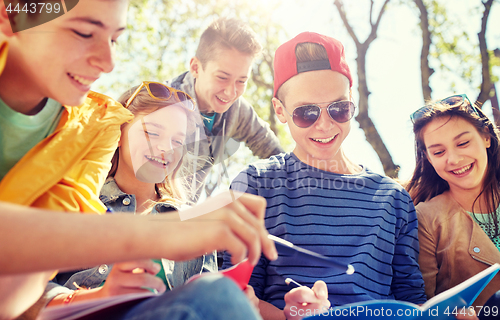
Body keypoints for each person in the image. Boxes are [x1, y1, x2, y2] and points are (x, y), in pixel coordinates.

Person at [0, 1, 276, 319]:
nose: (109, 62)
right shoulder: (131, 116)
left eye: (115, 39)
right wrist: (166, 233)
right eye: (83, 31)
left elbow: (20, 286)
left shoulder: (93, 127)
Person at [222, 31, 426, 320]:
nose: (325, 125)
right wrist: (285, 317)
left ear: (352, 101)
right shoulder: (255, 184)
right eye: (306, 113)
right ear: (280, 111)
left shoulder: (393, 199)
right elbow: (235, 295)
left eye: (339, 109)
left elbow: (413, 299)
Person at [166, 17, 283, 201]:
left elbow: (272, 150)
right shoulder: (161, 103)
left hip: (183, 217)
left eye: (241, 81)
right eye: (222, 77)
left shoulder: (237, 111)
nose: (231, 92)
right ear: (196, 68)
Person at [406, 95, 500, 319]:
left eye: (463, 143)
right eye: (439, 152)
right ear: (428, 158)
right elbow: (422, 306)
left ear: (486, 137)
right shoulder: (425, 219)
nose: (454, 159)